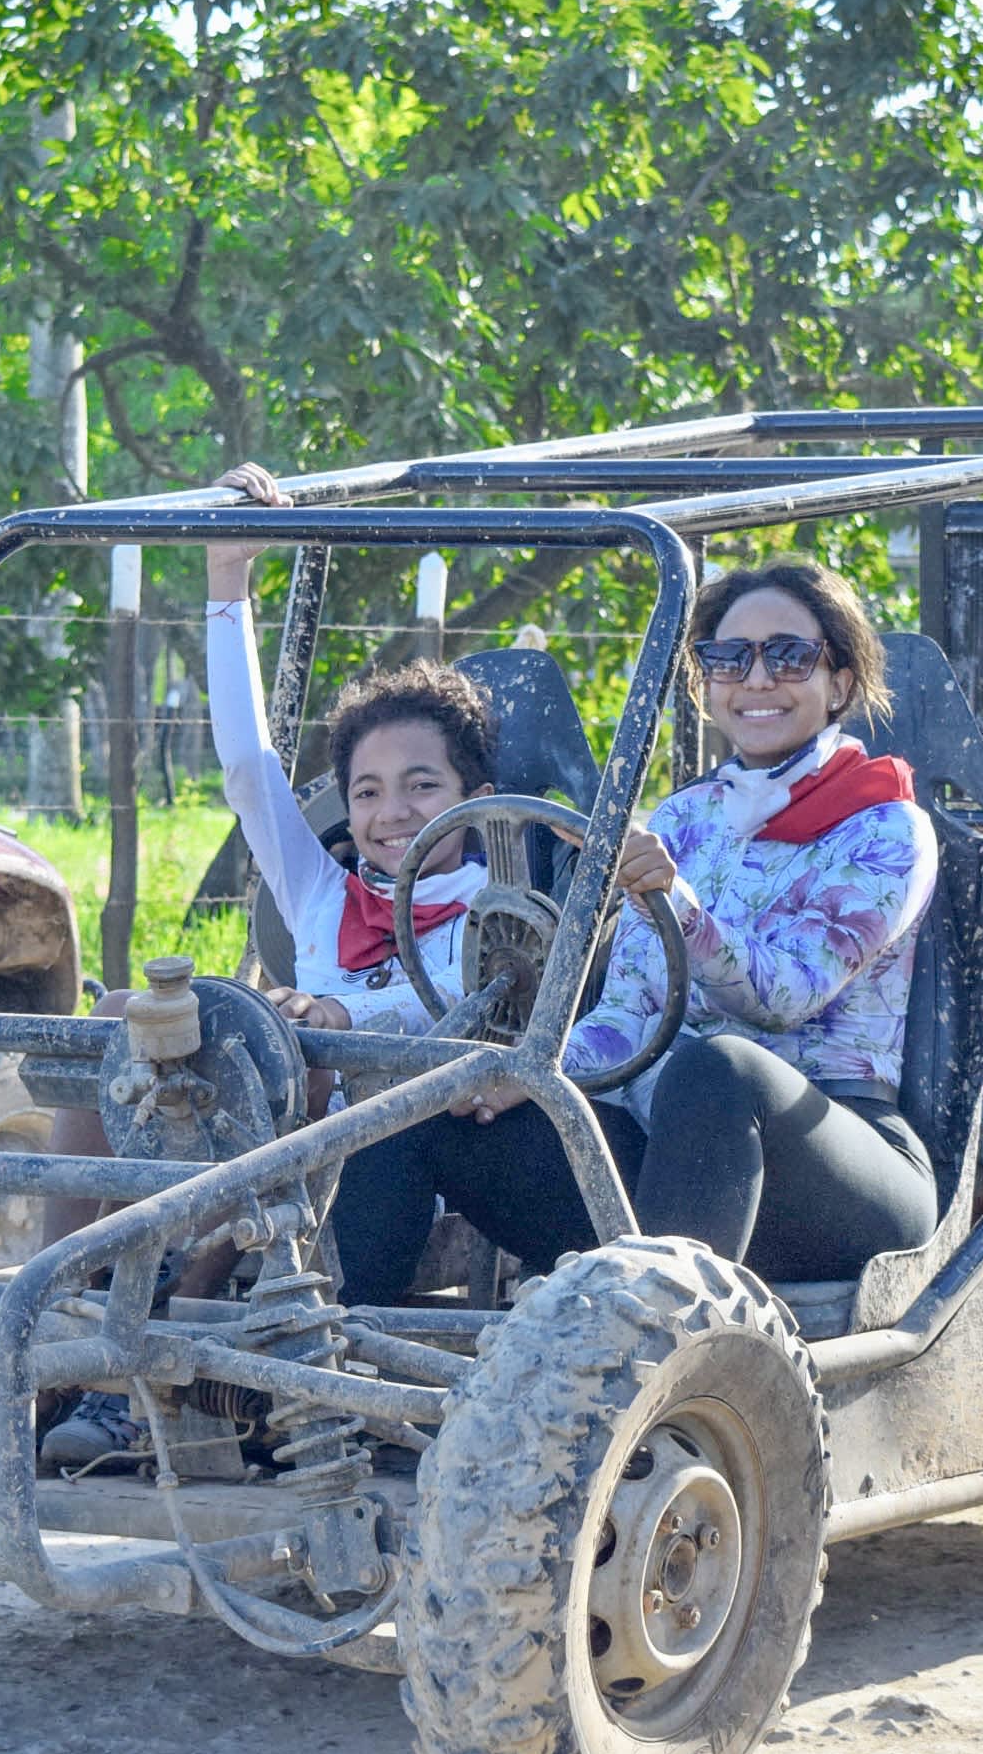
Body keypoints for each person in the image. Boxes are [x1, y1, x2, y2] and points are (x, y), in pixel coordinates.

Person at [0, 461, 497, 1468]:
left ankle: (150, 1365)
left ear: (474, 796)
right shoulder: (325, 893)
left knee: (298, 1066)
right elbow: (248, 768)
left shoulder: (495, 909)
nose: (391, 812)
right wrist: (228, 582)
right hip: (247, 1143)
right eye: (367, 791)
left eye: (421, 786)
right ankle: (47, 1333)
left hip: (378, 1162)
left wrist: (341, 1021)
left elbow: (461, 1023)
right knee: (119, 1030)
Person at [323, 556, 942, 1304]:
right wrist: (528, 1072)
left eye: (788, 656)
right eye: (728, 657)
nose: (756, 679)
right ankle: (343, 1348)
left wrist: (676, 903)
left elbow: (787, 995)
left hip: (832, 1164)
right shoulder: (683, 818)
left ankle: (658, 1333)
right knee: (420, 1100)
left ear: (839, 683)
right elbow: (626, 1016)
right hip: (669, 1166)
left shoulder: (886, 827)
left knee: (719, 1068)